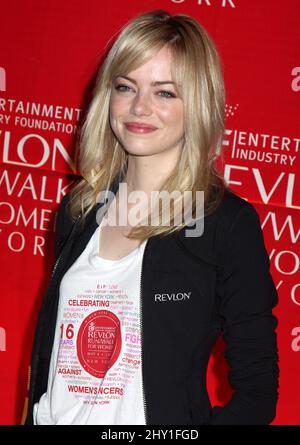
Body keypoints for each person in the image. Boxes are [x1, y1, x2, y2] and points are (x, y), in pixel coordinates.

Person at [25, 9, 279, 425]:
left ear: (195, 104)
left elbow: (257, 391)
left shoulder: (224, 223)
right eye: (126, 87)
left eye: (164, 92)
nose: (139, 107)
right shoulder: (78, 211)